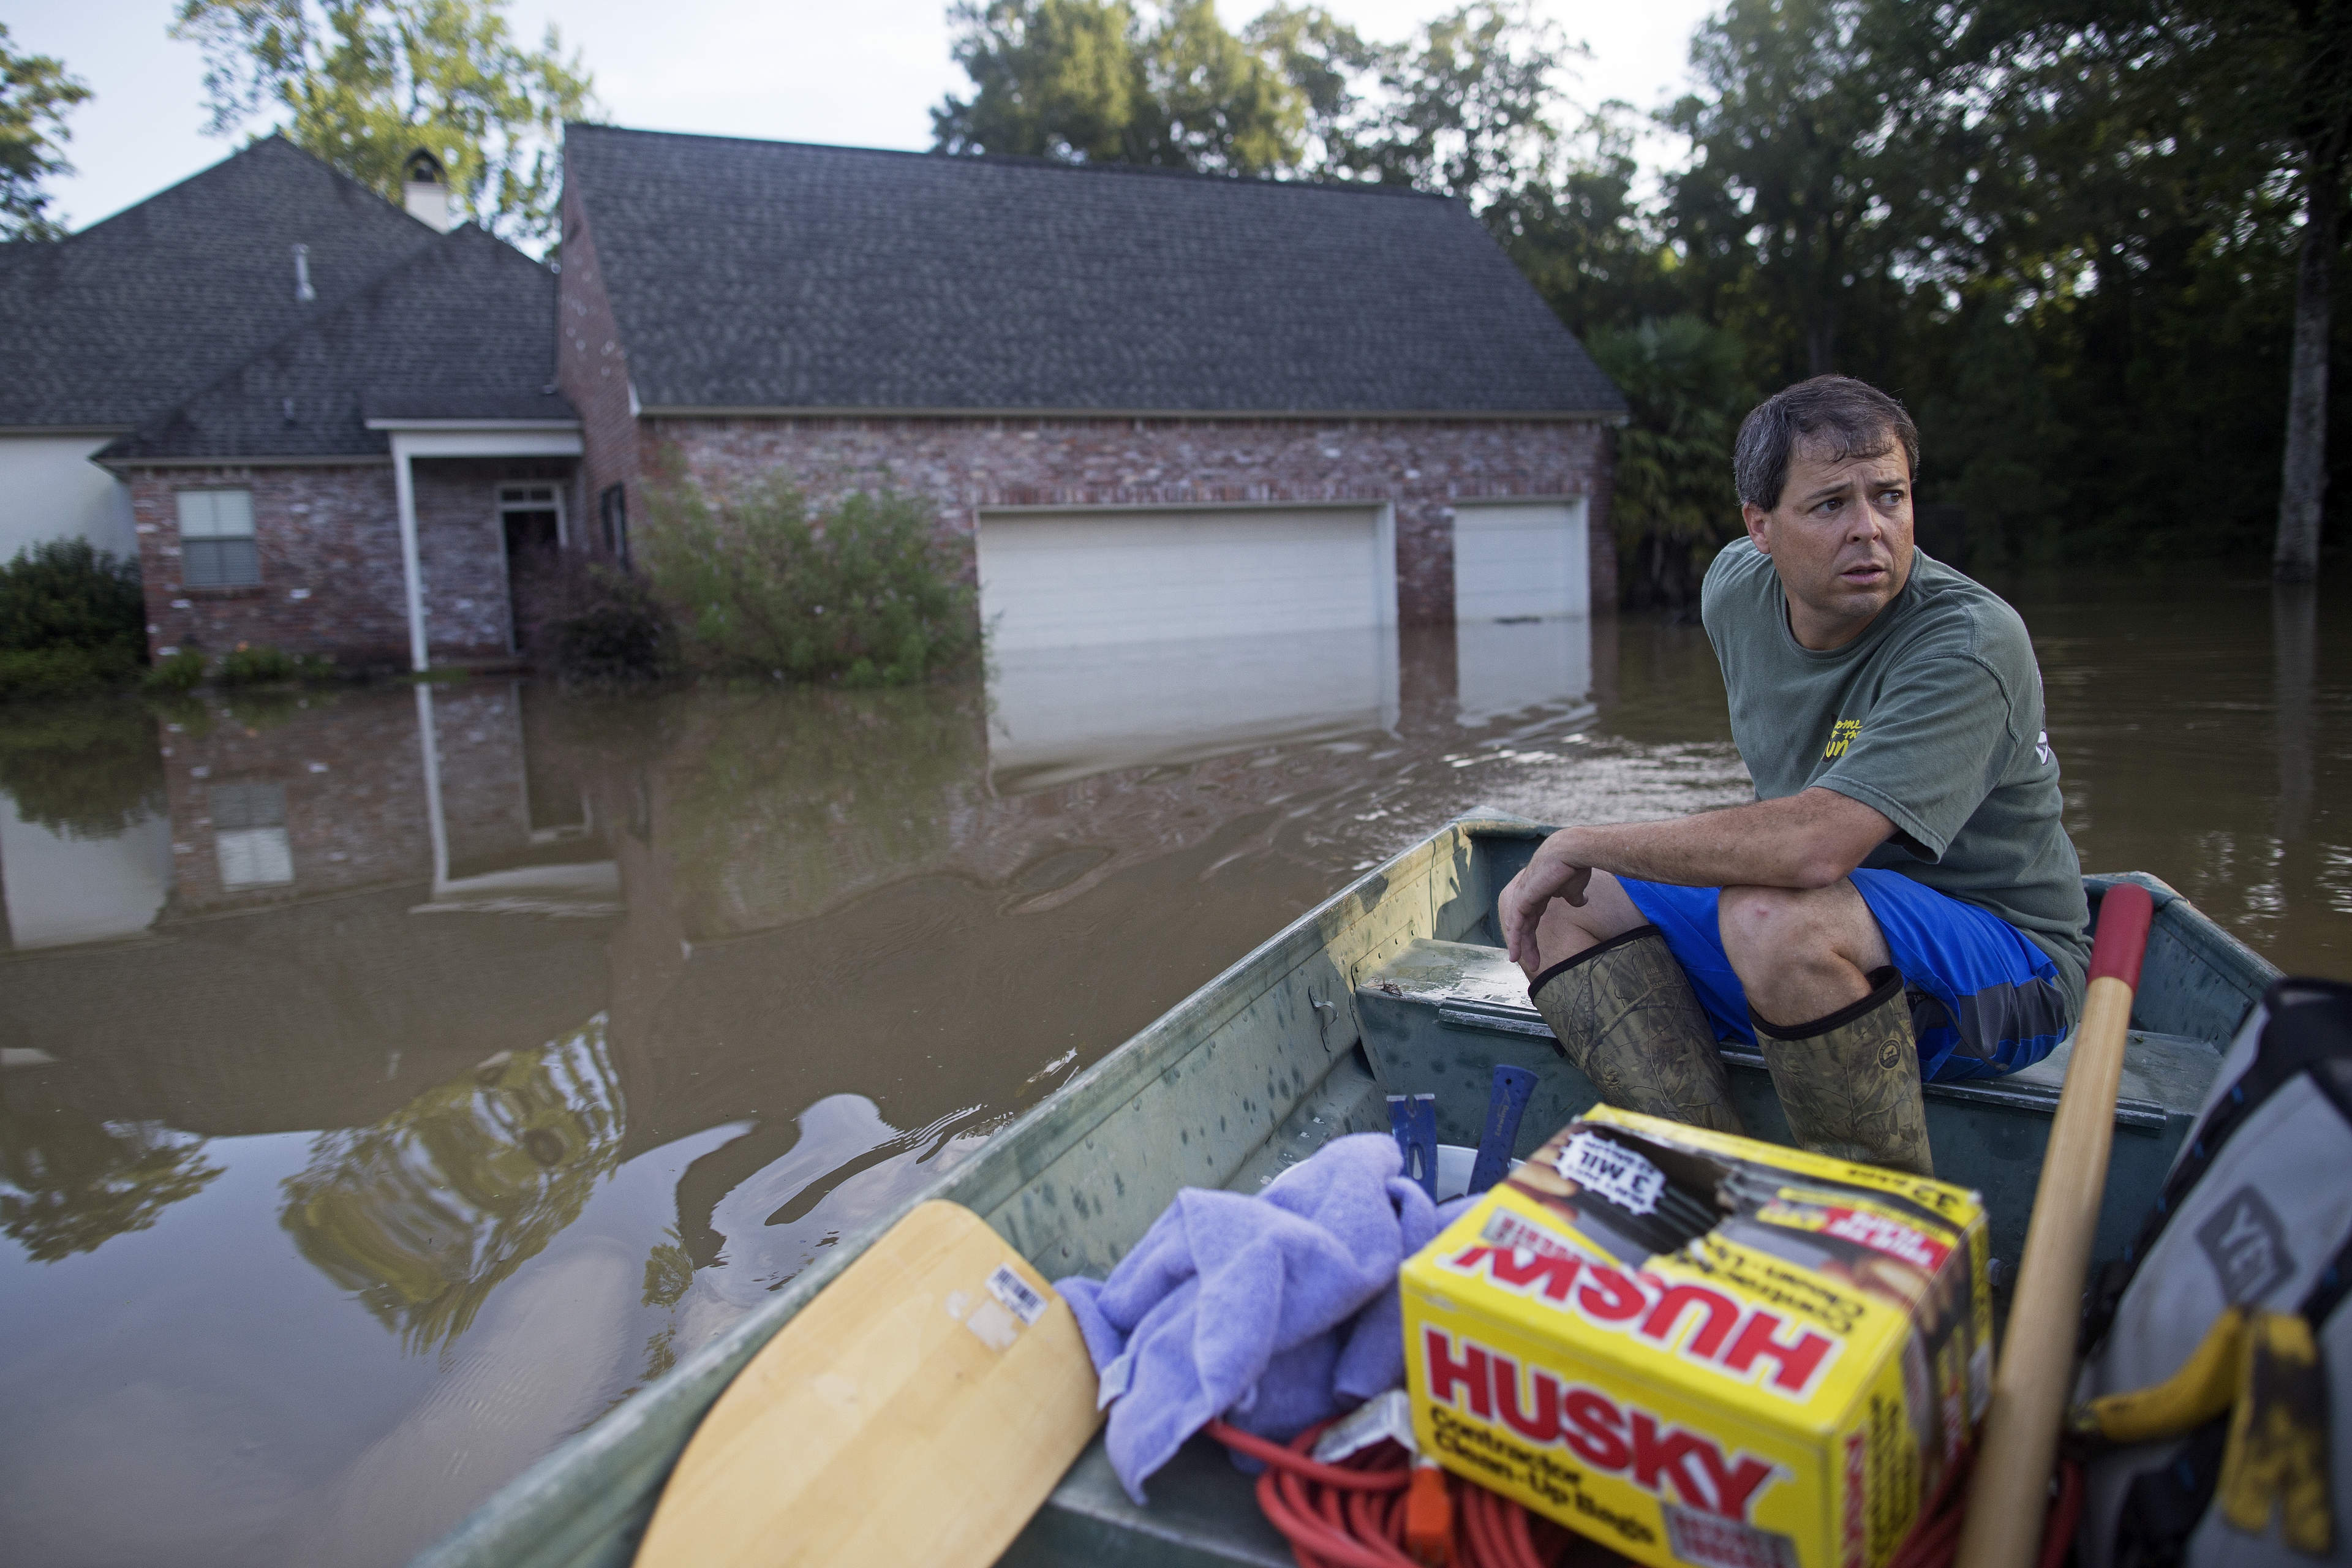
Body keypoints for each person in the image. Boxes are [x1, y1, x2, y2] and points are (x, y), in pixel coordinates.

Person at [1496, 375, 2089, 1175]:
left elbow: (1814, 849)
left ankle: (1877, 1215)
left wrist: (1583, 837)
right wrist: (1582, 860)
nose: (1869, 529)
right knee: (1556, 905)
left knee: (1772, 916)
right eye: (1830, 505)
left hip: (2007, 978)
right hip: (1826, 927)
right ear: (1760, 527)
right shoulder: (1733, 591)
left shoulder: (1970, 644)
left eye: (1890, 497)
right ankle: (1705, 1184)